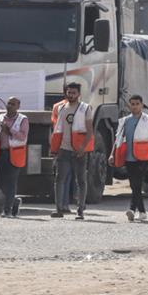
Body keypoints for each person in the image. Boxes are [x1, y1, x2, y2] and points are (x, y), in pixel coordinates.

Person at [109, 95, 148, 222]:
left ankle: (132, 209)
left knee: (137, 183)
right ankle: (142, 212)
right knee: (133, 184)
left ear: (142, 105)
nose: (135, 106)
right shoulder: (125, 121)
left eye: (137, 103)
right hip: (129, 158)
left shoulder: (147, 120)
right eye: (132, 104)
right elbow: (118, 140)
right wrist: (112, 154)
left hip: (143, 157)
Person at [49, 83, 94, 219]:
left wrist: (83, 148)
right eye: (69, 92)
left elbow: (89, 130)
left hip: (78, 151)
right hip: (64, 149)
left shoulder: (85, 108)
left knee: (80, 180)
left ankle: (80, 209)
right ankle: (59, 209)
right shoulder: (60, 108)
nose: (71, 95)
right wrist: (55, 149)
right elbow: (57, 130)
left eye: (74, 93)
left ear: (79, 94)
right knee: (59, 179)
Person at [0, 97, 29, 218]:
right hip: (1, 154)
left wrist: (9, 131)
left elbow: (23, 137)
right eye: (8, 103)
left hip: (15, 155)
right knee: (0, 182)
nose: (9, 106)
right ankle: (14, 201)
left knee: (11, 182)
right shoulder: (0, 118)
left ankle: (7, 210)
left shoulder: (23, 119)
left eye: (13, 104)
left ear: (18, 106)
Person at [50, 99, 77, 213]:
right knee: (67, 177)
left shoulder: (57, 106)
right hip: (69, 145)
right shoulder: (80, 107)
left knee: (62, 178)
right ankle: (64, 205)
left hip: (62, 144)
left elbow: (54, 127)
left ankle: (61, 206)